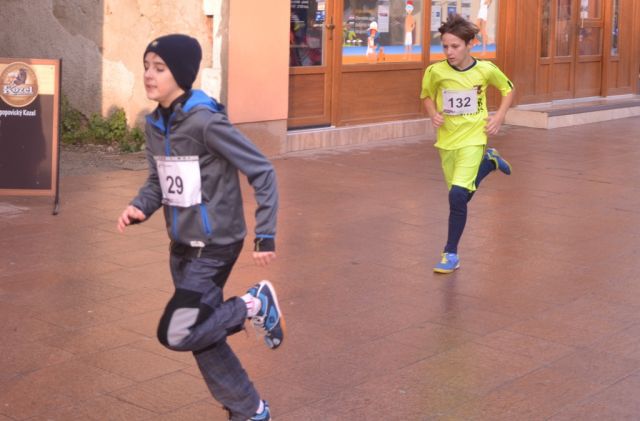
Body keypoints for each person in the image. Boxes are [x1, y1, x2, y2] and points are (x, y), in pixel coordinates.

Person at [116, 34, 284, 420]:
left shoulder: (206, 122)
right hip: (181, 247)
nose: (149, 75)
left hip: (215, 245)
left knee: (177, 332)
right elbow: (158, 182)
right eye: (146, 67)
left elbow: (262, 169)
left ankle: (253, 304)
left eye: (159, 68)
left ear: (181, 73)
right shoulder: (155, 125)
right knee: (203, 336)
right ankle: (251, 410)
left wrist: (265, 233)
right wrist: (140, 206)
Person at [420, 15, 514, 274]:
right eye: (445, 46)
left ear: (470, 44)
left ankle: (450, 253)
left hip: (474, 138)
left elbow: (508, 89)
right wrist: (433, 114)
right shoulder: (435, 72)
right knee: (459, 196)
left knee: (457, 196)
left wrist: (499, 116)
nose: (449, 52)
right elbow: (426, 96)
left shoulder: (485, 69)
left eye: (455, 46)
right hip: (447, 141)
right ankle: (490, 163)